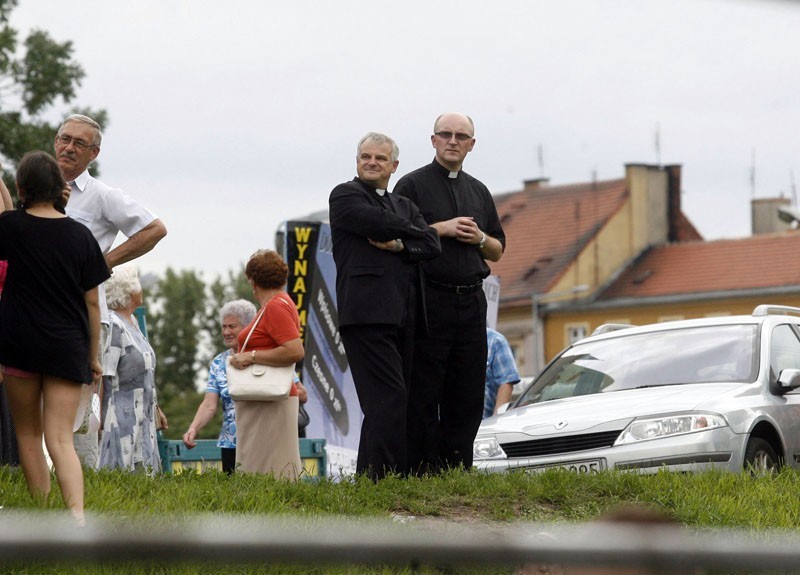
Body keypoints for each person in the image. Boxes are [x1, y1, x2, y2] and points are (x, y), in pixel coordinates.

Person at [0, 150, 109, 524]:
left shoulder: (9, 228)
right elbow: (93, 303)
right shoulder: (80, 235)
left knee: (28, 433)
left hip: (18, 343)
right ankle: (76, 517)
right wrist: (93, 356)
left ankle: (43, 515)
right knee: (60, 438)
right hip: (67, 346)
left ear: (22, 186)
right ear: (59, 188)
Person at [394, 112, 506, 473]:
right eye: (446, 134)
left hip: (472, 301)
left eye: (461, 136)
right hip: (429, 299)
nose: (453, 141)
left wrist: (480, 238)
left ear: (472, 145)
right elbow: (398, 239)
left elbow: (498, 249)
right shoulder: (411, 186)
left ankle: (458, 469)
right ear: (433, 140)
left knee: (468, 390)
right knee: (424, 390)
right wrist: (438, 228)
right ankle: (422, 470)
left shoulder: (479, 190)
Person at [55, 114, 168, 468]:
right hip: (37, 311)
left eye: (79, 144)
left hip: (82, 314)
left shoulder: (102, 196)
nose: (69, 148)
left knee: (80, 408)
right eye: (64, 139)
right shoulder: (35, 190)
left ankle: (87, 481)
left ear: (94, 153)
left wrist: (104, 262)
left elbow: (154, 228)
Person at [329, 132, 441, 480]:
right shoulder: (345, 195)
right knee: (387, 398)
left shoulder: (403, 204)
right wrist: (414, 232)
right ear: (357, 160)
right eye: (366, 156)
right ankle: (388, 478)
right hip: (366, 315)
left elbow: (433, 245)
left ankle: (373, 477)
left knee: (395, 400)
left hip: (404, 315)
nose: (371, 162)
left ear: (394, 165)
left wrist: (401, 246)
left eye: (379, 158)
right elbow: (375, 221)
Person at [227, 249, 305, 479]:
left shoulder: (275, 307)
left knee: (267, 470)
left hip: (271, 399)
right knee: (266, 468)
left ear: (253, 281)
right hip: (267, 397)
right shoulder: (278, 304)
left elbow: (294, 350)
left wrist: (250, 356)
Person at [97, 265, 166, 473]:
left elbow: (145, 374)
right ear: (128, 290)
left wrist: (155, 408)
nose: (141, 289)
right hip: (119, 417)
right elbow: (104, 376)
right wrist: (99, 420)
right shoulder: (113, 325)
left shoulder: (133, 322)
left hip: (142, 416)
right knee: (121, 476)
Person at [182, 299, 257, 474]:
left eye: (232, 326)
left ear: (247, 328)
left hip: (260, 440)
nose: (226, 332)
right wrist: (193, 428)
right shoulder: (218, 362)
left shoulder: (265, 356)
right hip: (230, 443)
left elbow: (299, 392)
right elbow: (209, 405)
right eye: (224, 327)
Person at [484, 328, 521, 418]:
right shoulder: (444, 338)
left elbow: (506, 382)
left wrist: (497, 418)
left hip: (483, 425)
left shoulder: (494, 340)